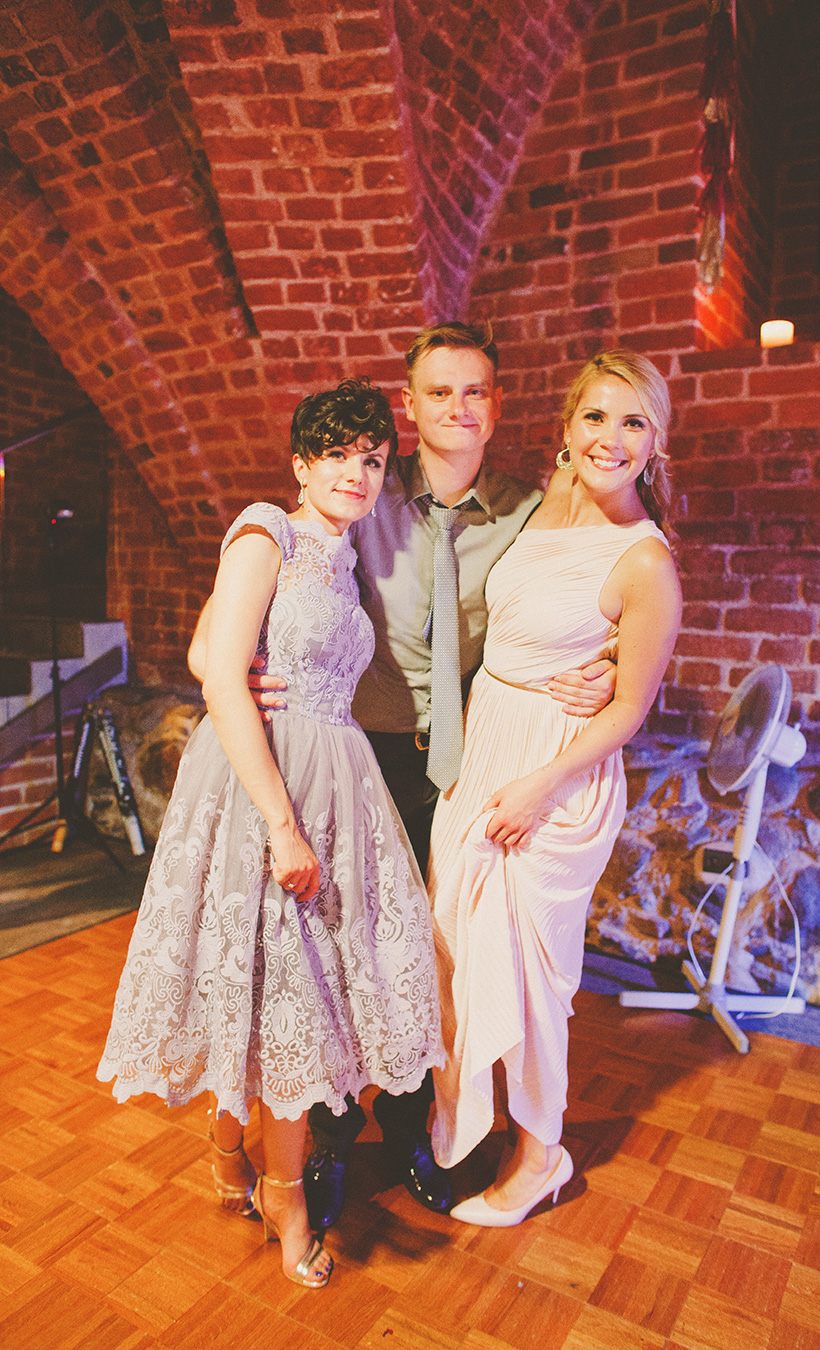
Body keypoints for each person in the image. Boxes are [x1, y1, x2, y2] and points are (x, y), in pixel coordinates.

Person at [188, 323, 617, 1228]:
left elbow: (597, 587)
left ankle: (418, 1128)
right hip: (361, 753)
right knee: (339, 953)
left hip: (473, 758)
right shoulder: (362, 489)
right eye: (438, 392)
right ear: (411, 405)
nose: (458, 407)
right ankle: (330, 1139)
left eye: (476, 391)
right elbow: (246, 594)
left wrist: (615, 661)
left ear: (496, 405)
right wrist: (219, 662)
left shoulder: (535, 509)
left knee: (433, 954)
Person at [98, 380, 443, 1289]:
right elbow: (215, 669)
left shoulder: (344, 561)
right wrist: (283, 826)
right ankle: (282, 1195)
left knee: (284, 987)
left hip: (337, 780)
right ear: (300, 464)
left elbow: (213, 650)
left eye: (372, 460)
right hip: (268, 786)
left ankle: (229, 1156)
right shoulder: (266, 531)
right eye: (336, 454)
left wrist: (230, 668)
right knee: (277, 984)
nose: (356, 473)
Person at [428, 349, 683, 1227]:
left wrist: (540, 786)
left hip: (558, 773)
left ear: (655, 442)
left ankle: (540, 1157)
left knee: (532, 975)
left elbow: (630, 710)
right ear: (567, 428)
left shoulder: (645, 562)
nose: (612, 438)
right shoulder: (547, 503)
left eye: (634, 422)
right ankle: (470, 1123)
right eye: (596, 417)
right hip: (486, 748)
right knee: (456, 946)